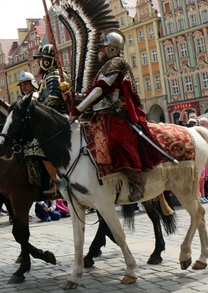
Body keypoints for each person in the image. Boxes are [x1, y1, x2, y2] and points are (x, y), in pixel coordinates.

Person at [69, 29, 161, 201]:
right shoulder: (104, 68)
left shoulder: (117, 63)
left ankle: (136, 183)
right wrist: (73, 97)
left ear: (111, 49)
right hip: (102, 116)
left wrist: (77, 110)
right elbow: (91, 92)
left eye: (102, 48)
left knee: (118, 142)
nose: (99, 51)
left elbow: (100, 90)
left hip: (118, 116)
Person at [33, 44, 67, 112]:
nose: (37, 62)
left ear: (47, 60)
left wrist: (37, 110)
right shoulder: (48, 74)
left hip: (58, 116)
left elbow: (52, 100)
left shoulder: (53, 76)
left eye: (40, 59)